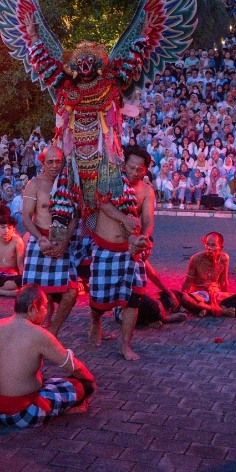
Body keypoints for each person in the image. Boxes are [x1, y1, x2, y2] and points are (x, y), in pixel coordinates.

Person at [0, 285, 97, 428]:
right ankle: (60, 410)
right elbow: (75, 367)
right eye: (45, 307)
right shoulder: (38, 334)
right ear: (33, 308)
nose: (46, 312)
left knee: (50, 381)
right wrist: (90, 383)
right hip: (20, 413)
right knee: (83, 385)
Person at [87, 151, 148, 360]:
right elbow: (102, 204)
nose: (134, 172)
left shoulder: (147, 191)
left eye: (139, 169)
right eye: (131, 167)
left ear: (146, 170)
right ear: (124, 165)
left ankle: (125, 345)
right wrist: (125, 219)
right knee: (98, 299)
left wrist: (143, 239)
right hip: (106, 247)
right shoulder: (110, 180)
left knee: (134, 297)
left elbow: (148, 221)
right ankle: (95, 322)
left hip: (130, 250)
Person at [21, 145, 80, 333]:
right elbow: (26, 217)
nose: (54, 165)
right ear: (42, 163)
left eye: (58, 161)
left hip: (62, 242)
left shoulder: (70, 184)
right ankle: (29, 331)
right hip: (40, 242)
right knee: (33, 293)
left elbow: (75, 216)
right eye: (50, 162)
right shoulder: (35, 184)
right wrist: (40, 240)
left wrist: (63, 243)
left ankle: (53, 331)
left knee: (71, 291)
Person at [180, 232, 236, 317]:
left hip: (215, 294)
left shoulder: (224, 258)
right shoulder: (195, 259)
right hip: (199, 295)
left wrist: (226, 300)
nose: (209, 248)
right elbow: (187, 282)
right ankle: (220, 311)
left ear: (220, 247)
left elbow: (223, 281)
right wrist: (182, 301)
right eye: (207, 244)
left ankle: (208, 309)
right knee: (186, 298)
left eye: (213, 245)